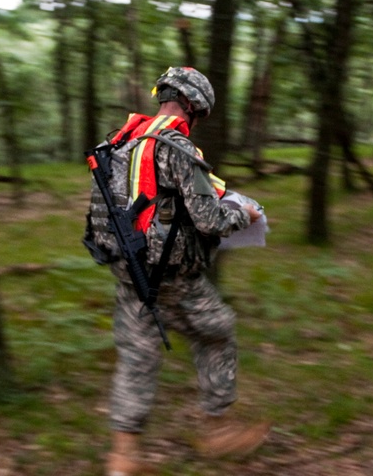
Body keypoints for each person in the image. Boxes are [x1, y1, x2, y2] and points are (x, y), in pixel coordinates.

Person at [94, 67, 270, 475]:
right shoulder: (177, 149)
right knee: (218, 333)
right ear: (192, 105)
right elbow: (209, 221)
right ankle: (218, 431)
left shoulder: (119, 142)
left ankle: (123, 458)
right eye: (200, 113)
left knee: (136, 358)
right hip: (174, 279)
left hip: (129, 275)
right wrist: (244, 215)